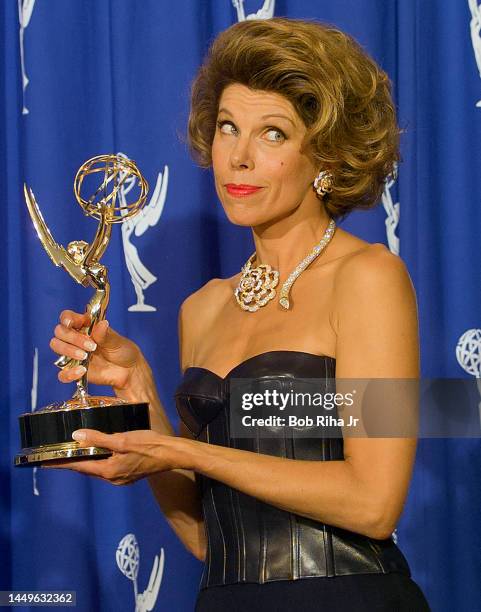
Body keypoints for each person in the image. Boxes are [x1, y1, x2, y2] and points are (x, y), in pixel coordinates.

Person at [48, 17, 430, 611]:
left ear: (325, 155)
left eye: (273, 134)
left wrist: (182, 451)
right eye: (228, 127)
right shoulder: (200, 310)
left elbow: (374, 503)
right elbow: (207, 539)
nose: (239, 157)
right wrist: (141, 390)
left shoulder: (371, 278)